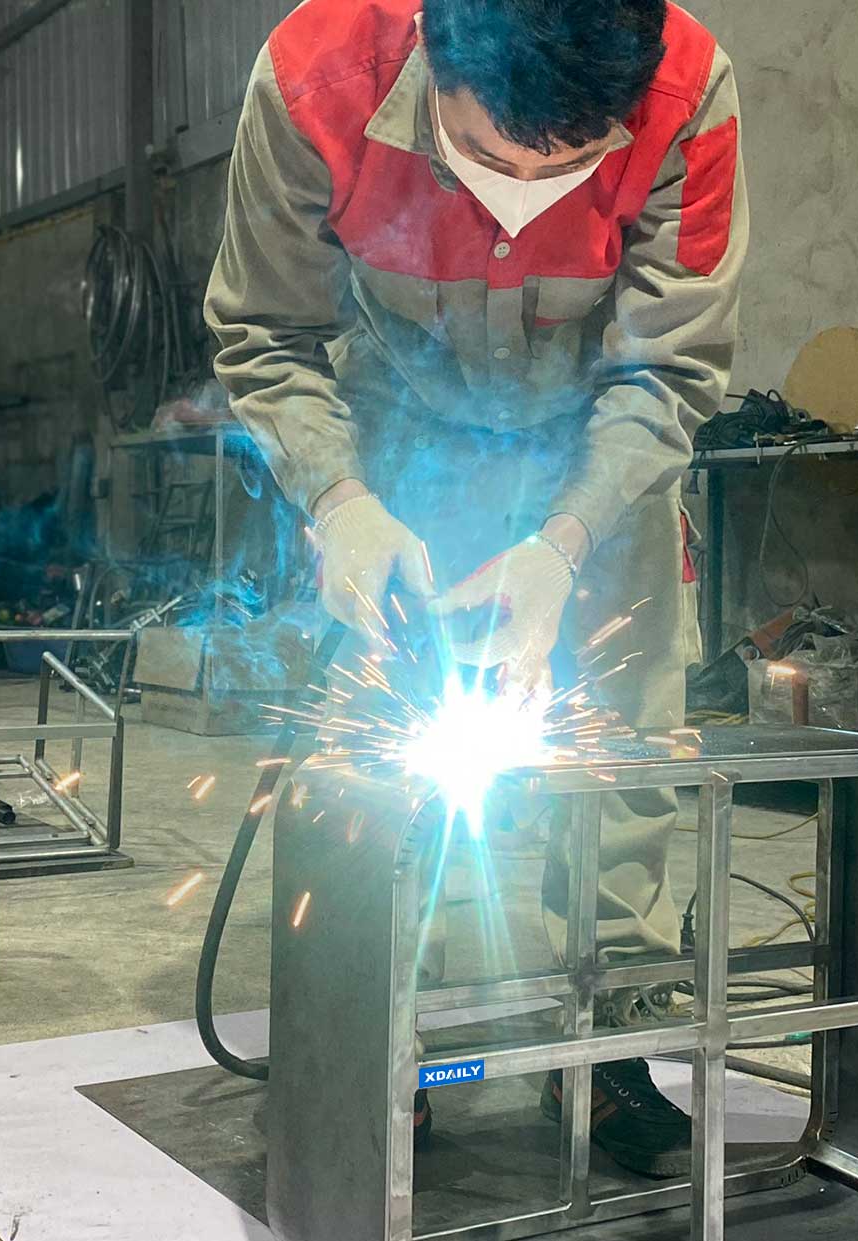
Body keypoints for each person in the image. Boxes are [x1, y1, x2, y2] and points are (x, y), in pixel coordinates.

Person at [206, 0, 747, 1177]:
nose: (523, 197)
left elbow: (669, 367)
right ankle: (380, 1037)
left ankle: (609, 1037)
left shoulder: (685, 92)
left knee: (626, 739)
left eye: (565, 167)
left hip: (598, 448)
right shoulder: (316, 77)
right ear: (434, 53)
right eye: (491, 157)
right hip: (397, 434)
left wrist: (562, 545)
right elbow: (265, 334)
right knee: (375, 744)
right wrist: (340, 505)